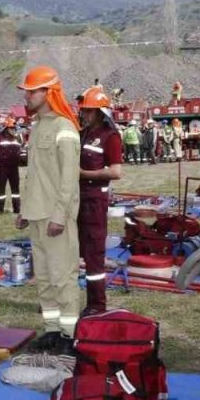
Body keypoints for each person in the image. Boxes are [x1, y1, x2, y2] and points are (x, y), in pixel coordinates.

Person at [16, 66, 82, 348]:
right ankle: (52, 330)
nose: (27, 96)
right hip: (36, 213)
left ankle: (70, 336)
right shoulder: (38, 126)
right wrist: (23, 210)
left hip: (56, 216)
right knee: (43, 278)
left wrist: (60, 215)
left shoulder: (64, 128)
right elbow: (35, 175)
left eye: (32, 91)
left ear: (49, 92)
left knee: (62, 277)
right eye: (27, 91)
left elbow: (68, 177)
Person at [76, 87, 124, 316]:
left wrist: (84, 174)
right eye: (83, 109)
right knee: (74, 250)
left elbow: (116, 172)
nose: (84, 113)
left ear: (99, 112)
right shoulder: (83, 133)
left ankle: (96, 304)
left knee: (94, 254)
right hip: (76, 198)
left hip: (94, 201)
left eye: (88, 110)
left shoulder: (110, 137)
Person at [0, 118, 23, 214]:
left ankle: (17, 208)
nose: (14, 130)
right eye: (12, 128)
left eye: (14, 128)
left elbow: (20, 149)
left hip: (14, 167)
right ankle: (0, 208)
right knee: (1, 188)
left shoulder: (17, 138)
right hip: (2, 166)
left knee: (15, 189)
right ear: (7, 128)